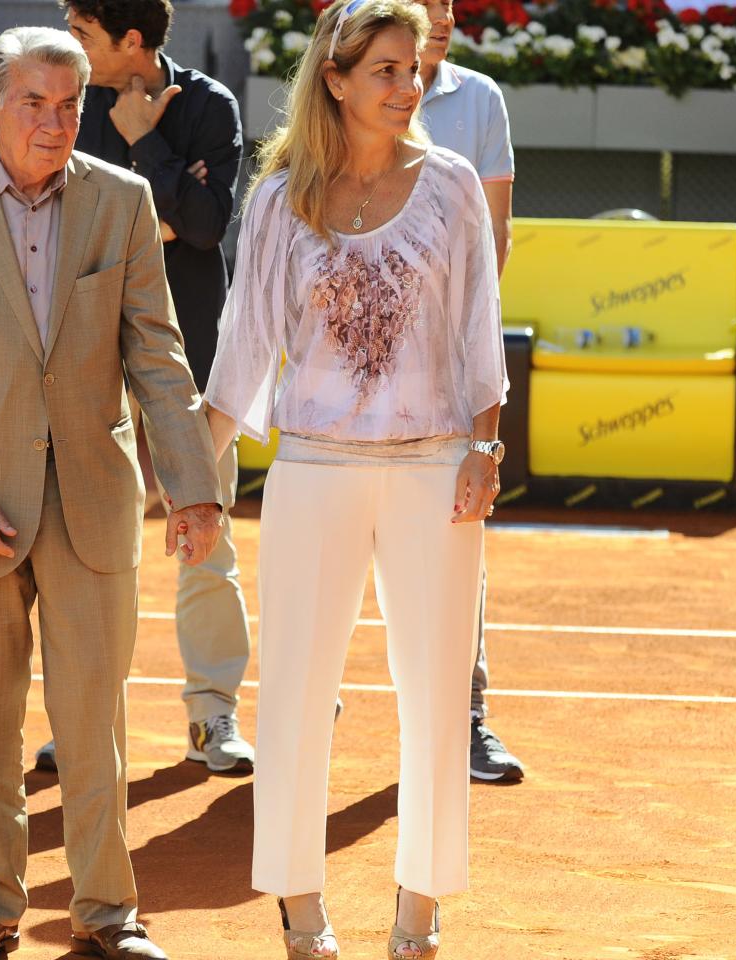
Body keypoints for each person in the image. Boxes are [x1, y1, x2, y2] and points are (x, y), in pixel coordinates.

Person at [0, 26, 223, 960]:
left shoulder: (124, 201)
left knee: (93, 724)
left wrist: (192, 487)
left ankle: (108, 911)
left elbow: (158, 355)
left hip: (94, 503)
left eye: (70, 106)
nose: (56, 123)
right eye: (34, 102)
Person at [202, 0, 508, 956]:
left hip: (433, 470)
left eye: (413, 68)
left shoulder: (453, 185)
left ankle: (419, 912)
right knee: (293, 691)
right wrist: (190, 478)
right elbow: (243, 348)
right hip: (315, 469)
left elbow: (478, 335)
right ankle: (299, 909)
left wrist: (486, 448)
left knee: (436, 698)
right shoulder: (280, 194)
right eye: (385, 68)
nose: (408, 85)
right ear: (334, 79)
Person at [55, 0, 253, 775]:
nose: (70, 47)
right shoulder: (65, 103)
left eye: (83, 34)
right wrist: (166, 196)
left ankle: (214, 717)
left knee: (207, 535)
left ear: (130, 41)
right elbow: (73, 224)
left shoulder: (209, 106)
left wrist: (144, 144)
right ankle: (81, 721)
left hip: (191, 359)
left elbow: (205, 227)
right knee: (85, 547)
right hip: (83, 355)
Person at [415, 0, 524, 785]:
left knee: (457, 538)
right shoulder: (332, 84)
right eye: (423, 3)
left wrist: (459, 339)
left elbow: (495, 238)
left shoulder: (480, 98)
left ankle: (465, 717)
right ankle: (306, 708)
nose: (440, 14)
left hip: (452, 366)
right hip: (348, 371)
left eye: (448, 2)